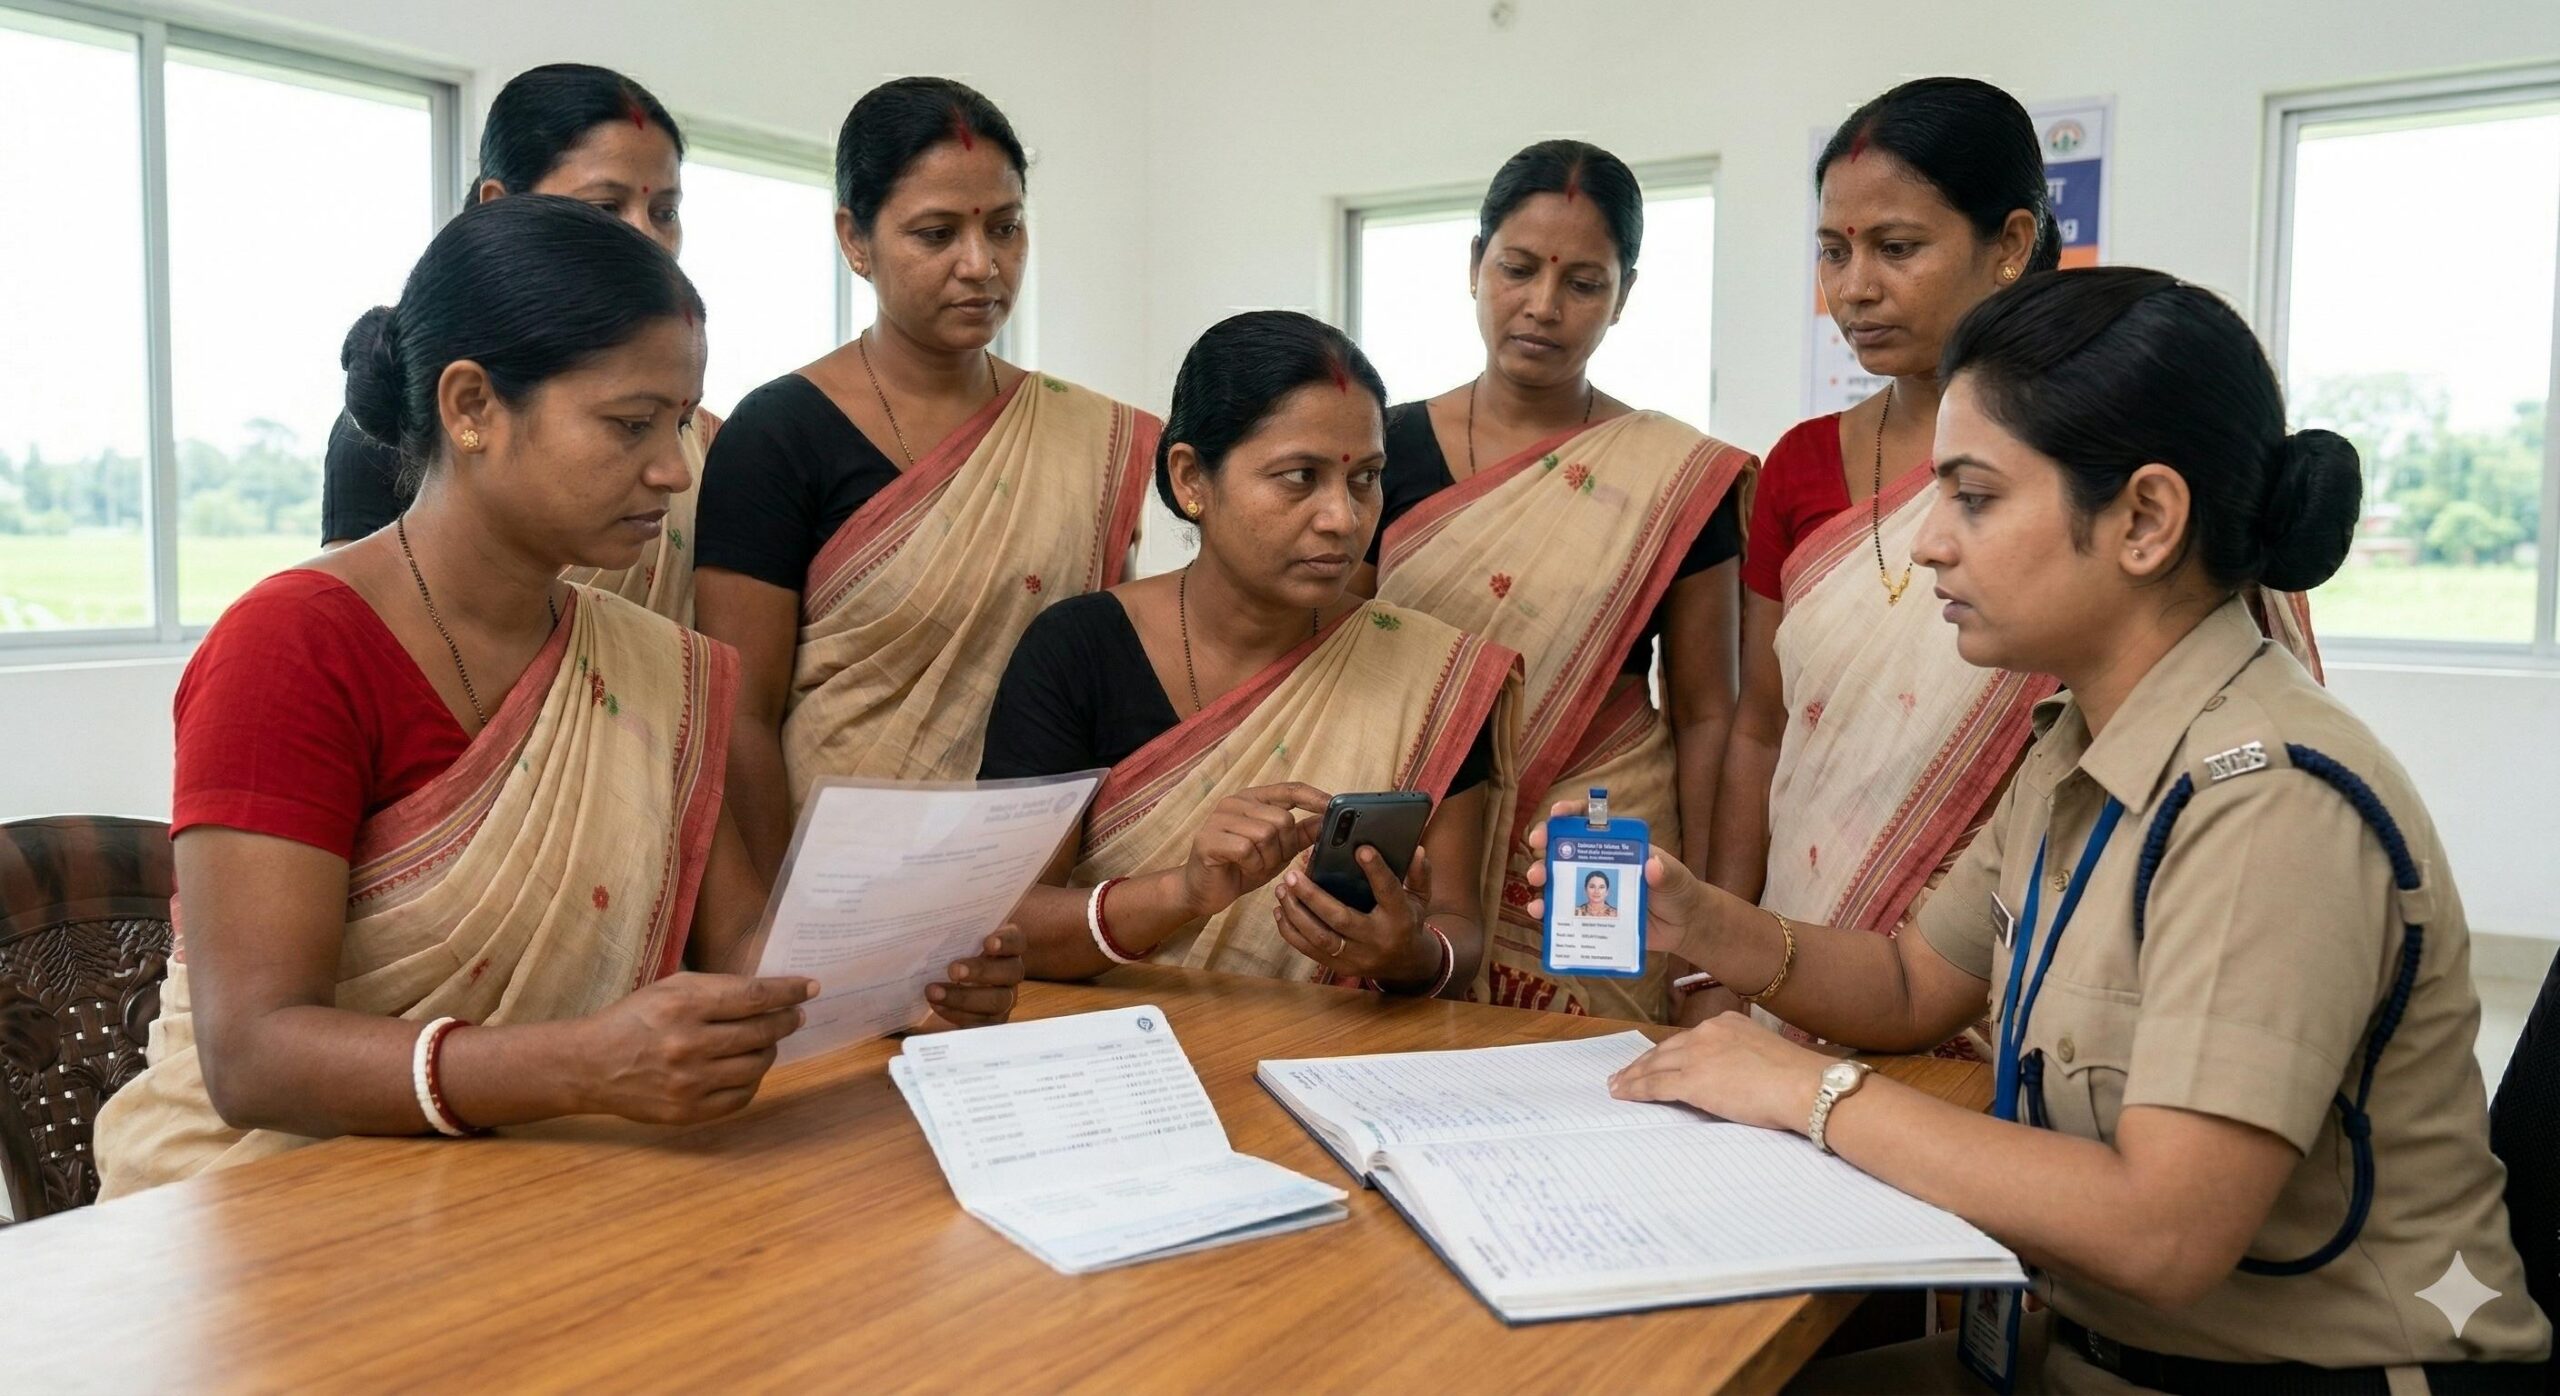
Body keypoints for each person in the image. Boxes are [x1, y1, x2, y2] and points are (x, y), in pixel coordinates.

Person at [1565, 268, 2549, 1391]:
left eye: (1974, 498)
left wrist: (1804, 1091)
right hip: (2103, 1349)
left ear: (2142, 519)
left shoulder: (2268, 798)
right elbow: (1907, 986)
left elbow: (2160, 1232)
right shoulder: (2079, 743)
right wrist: (1702, 921)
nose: (1931, 542)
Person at [95, 197, 1022, 1198]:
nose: (673, 468)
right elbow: (256, 1055)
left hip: (535, 1188)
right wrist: (581, 1064)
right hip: (260, 1211)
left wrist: (907, 979)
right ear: (471, 407)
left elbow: (748, 956)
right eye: (630, 424)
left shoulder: (656, 667)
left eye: (676, 420)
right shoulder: (293, 647)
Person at [1704, 78, 2321, 1038]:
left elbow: (2172, 1185)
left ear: (2012, 244)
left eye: (1897, 248)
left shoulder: (2262, 792)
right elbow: (1761, 728)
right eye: (1833, 251)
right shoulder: (1801, 465)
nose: (1853, 287)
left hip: (2059, 985)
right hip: (1850, 965)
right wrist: (1718, 937)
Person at [696, 77, 1158, 882]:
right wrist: (773, 927)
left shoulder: (1087, 441)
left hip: (1034, 886)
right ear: (854, 238)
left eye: (1006, 229)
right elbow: (740, 718)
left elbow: (1099, 677)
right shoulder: (777, 433)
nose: (981, 265)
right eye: (936, 234)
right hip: (832, 886)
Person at [982, 311, 1514, 994]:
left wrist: (1407, 954)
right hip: (1115, 1065)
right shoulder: (1077, 650)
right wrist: (1183, 891)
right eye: (1299, 477)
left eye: (1365, 478)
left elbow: (1459, 929)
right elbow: (1004, 924)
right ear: (1190, 480)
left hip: (1338, 1075)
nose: (1343, 519)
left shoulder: (1432, 676)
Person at [1359, 139, 1752, 1024]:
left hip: (1596, 830)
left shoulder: (1676, 478)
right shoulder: (1379, 450)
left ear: (1624, 297)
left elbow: (1706, 712)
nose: (1543, 306)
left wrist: (1711, 944)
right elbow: (1333, 665)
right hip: (1422, 828)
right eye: (1519, 268)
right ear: (1474, 266)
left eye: (1583, 282)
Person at [322, 64, 717, 625]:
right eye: (605, 209)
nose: (645, 237)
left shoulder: (703, 445)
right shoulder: (408, 414)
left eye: (664, 212)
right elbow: (362, 628)